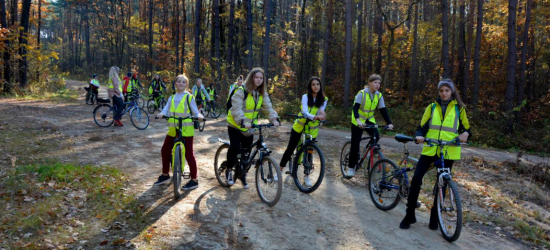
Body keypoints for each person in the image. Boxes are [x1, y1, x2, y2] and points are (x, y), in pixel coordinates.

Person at [399, 78, 471, 230]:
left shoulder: (460, 109)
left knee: (442, 183)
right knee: (417, 178)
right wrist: (419, 136)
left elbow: (466, 129)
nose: (444, 93)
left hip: (448, 151)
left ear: (452, 92)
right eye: (441, 90)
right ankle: (409, 214)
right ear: (439, 92)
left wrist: (465, 134)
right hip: (431, 149)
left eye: (447, 90)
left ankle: (435, 217)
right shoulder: (431, 107)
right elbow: (421, 127)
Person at [226, 67, 280, 188]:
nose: (259, 80)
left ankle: (242, 174)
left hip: (250, 126)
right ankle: (229, 170)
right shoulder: (241, 91)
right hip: (235, 124)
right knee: (234, 147)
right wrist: (242, 121)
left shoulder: (262, 93)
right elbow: (236, 108)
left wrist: (274, 119)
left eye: (261, 78)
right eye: (256, 77)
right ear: (251, 78)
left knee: (247, 153)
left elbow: (268, 107)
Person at [154, 74, 205, 190]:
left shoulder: (189, 97)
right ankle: (165, 174)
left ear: (186, 85)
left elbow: (195, 112)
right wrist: (161, 114)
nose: (181, 83)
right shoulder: (172, 98)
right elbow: (165, 109)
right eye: (179, 81)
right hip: (173, 129)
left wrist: (200, 116)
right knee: (165, 149)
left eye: (183, 82)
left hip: (186, 130)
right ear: (175, 83)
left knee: (189, 154)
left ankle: (194, 180)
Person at [279, 76, 328, 186]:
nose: (316, 86)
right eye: (313, 84)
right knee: (290, 148)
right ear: (310, 87)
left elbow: (321, 110)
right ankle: (279, 171)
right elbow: (305, 112)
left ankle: (306, 176)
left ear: (320, 86)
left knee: (309, 152)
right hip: (299, 126)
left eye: (318, 84)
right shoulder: (305, 97)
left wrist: (322, 114)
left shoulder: (324, 99)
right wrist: (315, 117)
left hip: (312, 129)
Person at [347, 74, 394, 177]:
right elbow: (355, 108)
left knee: (376, 136)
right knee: (355, 144)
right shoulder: (362, 94)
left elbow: (383, 110)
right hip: (358, 119)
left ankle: (368, 151)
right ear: (369, 83)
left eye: (379, 83)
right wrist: (358, 121)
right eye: (375, 82)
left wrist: (389, 123)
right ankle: (351, 167)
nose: (377, 85)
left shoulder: (378, 95)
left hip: (369, 119)